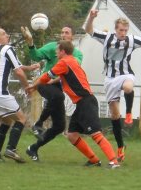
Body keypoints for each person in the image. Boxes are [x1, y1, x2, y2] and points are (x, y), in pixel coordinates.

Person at [85, 9, 141, 162]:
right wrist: (91, 17)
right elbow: (89, 30)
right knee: (115, 116)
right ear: (115, 29)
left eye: (125, 30)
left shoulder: (131, 40)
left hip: (125, 74)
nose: (123, 32)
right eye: (121, 30)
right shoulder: (106, 37)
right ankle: (120, 146)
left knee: (129, 87)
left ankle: (129, 113)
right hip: (110, 79)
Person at [26, 40, 120, 168]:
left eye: (57, 50)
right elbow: (62, 77)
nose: (56, 52)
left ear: (63, 51)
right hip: (81, 103)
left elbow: (46, 76)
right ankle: (94, 160)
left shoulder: (64, 62)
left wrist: (33, 86)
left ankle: (114, 162)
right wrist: (50, 83)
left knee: (95, 133)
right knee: (72, 135)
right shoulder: (71, 61)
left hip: (86, 101)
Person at [20, 25, 83, 162]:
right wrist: (30, 42)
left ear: (72, 37)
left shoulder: (77, 54)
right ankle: (38, 124)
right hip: (44, 83)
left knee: (59, 126)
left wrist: (55, 80)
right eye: (62, 32)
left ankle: (33, 149)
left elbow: (71, 69)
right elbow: (35, 55)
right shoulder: (53, 48)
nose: (63, 34)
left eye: (67, 32)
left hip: (56, 87)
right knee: (57, 96)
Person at [0, 27, 32, 163]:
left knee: (7, 121)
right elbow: (19, 72)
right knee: (21, 119)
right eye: (4, 34)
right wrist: (27, 87)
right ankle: (11, 149)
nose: (7, 35)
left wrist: (31, 67)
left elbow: (15, 65)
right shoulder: (7, 49)